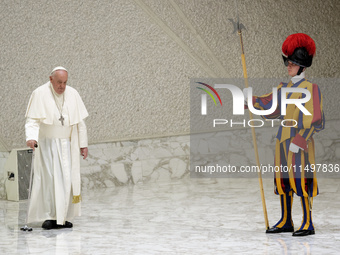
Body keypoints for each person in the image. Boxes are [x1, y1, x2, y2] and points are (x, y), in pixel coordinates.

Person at [249, 33, 325, 236]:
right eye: (288, 62)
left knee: (302, 180)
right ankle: (286, 220)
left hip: (300, 143)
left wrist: (300, 140)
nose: (288, 66)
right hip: (282, 141)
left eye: (291, 62)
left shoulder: (311, 89)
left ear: (302, 65)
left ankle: (308, 222)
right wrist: (250, 99)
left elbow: (316, 119)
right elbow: (270, 106)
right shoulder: (284, 88)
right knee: (283, 180)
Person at [25, 66, 89, 229]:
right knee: (51, 180)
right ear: (50, 79)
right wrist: (31, 137)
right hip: (48, 145)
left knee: (68, 180)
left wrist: (83, 144)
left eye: (65, 82)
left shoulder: (73, 94)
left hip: (68, 145)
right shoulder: (39, 93)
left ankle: (64, 217)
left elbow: (80, 122)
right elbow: (32, 120)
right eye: (59, 82)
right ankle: (51, 216)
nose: (62, 86)